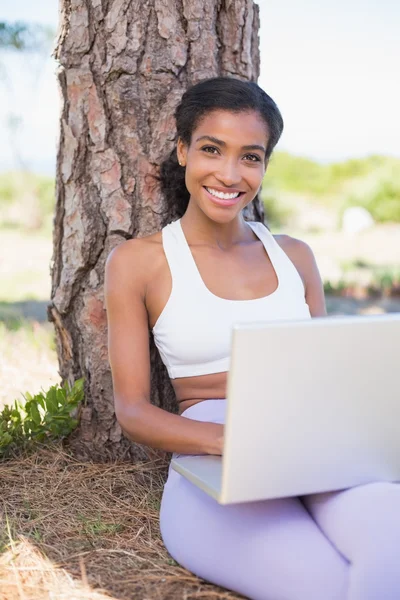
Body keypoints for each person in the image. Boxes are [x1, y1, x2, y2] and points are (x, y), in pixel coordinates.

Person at [105, 77, 400, 600]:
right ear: (183, 151)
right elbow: (132, 411)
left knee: (390, 556)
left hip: (315, 450)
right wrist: (235, 445)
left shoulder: (296, 256)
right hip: (212, 459)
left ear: (264, 166)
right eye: (212, 149)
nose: (229, 173)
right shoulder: (140, 262)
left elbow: (330, 376)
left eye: (251, 157)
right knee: (324, 585)